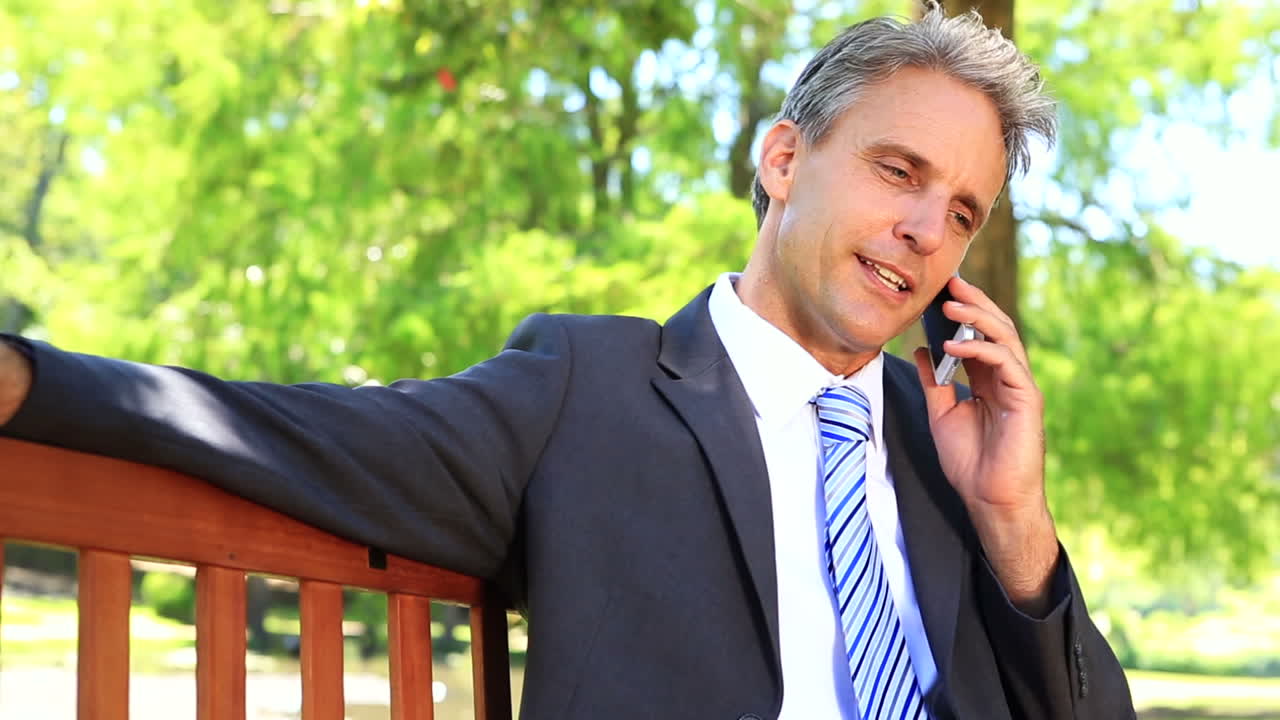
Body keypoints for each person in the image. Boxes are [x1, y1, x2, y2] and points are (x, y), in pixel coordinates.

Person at [0, 7, 1135, 720]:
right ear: (784, 158)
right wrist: (32, 381)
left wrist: (1014, 521)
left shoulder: (951, 445)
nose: (925, 230)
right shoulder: (588, 389)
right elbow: (296, 430)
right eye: (897, 172)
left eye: (960, 211)